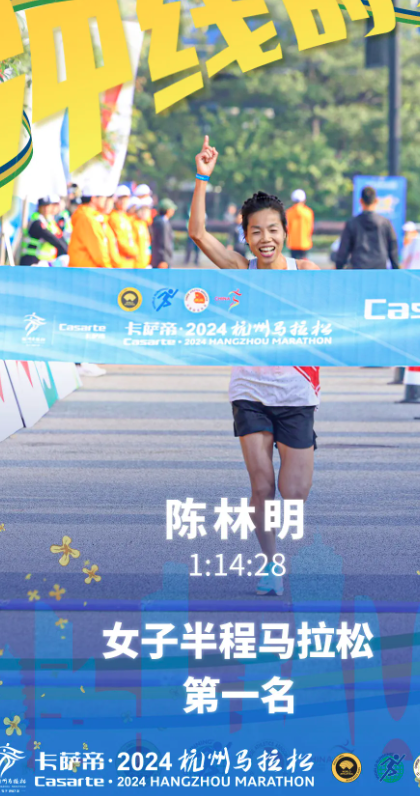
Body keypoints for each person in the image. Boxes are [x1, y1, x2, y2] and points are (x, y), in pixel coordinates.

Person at [188, 135, 320, 597]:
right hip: (249, 391)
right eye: (256, 231)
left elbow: (347, 311)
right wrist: (202, 177)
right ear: (246, 236)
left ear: (285, 232)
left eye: (273, 230)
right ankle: (270, 563)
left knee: (294, 493)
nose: (266, 239)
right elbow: (198, 234)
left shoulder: (307, 273)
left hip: (297, 392)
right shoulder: (240, 271)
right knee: (262, 485)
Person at [335, 186, 399, 270]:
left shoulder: (352, 223)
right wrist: (396, 268)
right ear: (376, 201)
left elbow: (343, 250)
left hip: (358, 269)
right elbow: (393, 249)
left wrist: (338, 267)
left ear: (361, 201)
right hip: (379, 270)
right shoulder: (385, 223)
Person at [68, 183, 112, 268]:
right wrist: (109, 269)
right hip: (87, 271)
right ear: (93, 198)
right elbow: (99, 252)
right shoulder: (88, 218)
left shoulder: (88, 216)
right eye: (102, 197)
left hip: (86, 269)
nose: (105, 199)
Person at [20, 195, 68, 266]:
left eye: (48, 206)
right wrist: (67, 251)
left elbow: (59, 237)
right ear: (39, 208)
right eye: (43, 206)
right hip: (30, 261)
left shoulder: (49, 222)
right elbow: (51, 237)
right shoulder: (36, 222)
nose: (46, 209)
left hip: (41, 261)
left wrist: (67, 250)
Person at [108, 184, 139, 266]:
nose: (123, 201)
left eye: (126, 199)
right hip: (120, 263)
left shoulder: (126, 217)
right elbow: (120, 241)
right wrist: (134, 251)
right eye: (121, 199)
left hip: (130, 262)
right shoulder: (113, 217)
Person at [286, 189, 314, 260]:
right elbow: (310, 228)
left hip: (293, 243)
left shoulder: (289, 212)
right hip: (305, 243)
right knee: (304, 263)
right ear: (304, 200)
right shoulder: (308, 212)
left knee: (293, 263)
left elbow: (287, 227)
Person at [152, 198, 177, 268]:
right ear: (167, 210)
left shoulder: (163, 221)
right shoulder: (162, 223)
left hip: (164, 259)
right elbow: (163, 243)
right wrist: (164, 260)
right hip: (162, 260)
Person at [133, 197, 153, 268]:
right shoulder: (134, 224)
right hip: (137, 264)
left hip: (145, 262)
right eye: (142, 210)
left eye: (147, 210)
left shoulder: (145, 224)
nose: (145, 212)